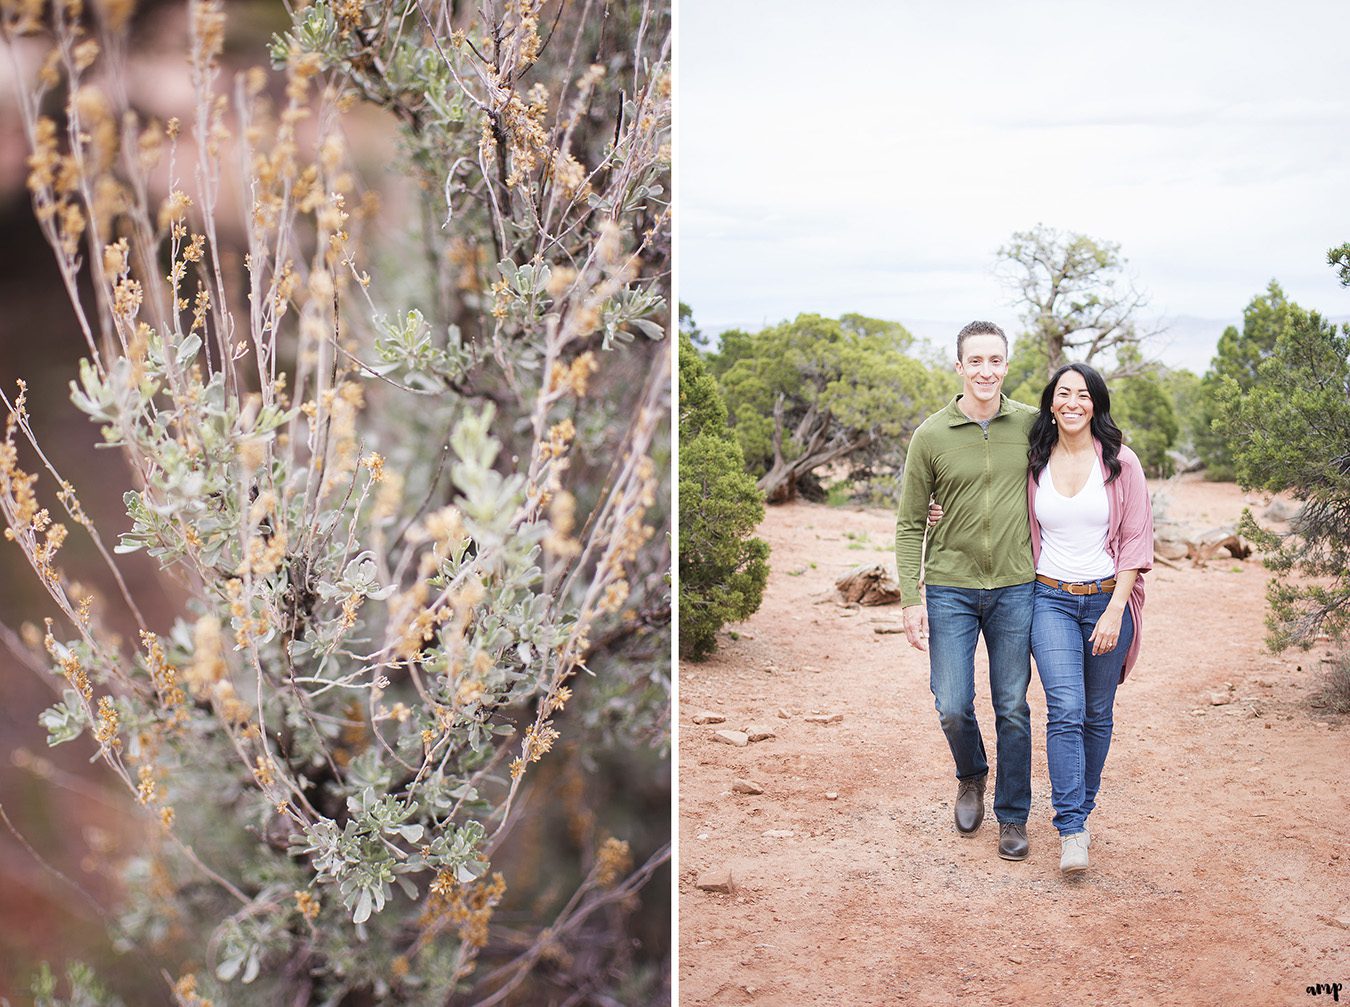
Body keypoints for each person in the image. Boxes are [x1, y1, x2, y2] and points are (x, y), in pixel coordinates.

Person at [894, 321, 1038, 862]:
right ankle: (971, 774)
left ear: (1006, 364)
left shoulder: (1030, 423)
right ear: (959, 366)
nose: (986, 371)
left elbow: (1077, 461)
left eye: (995, 360)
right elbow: (910, 523)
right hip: (951, 587)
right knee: (953, 703)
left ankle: (1013, 816)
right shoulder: (931, 435)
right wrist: (912, 597)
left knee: (1013, 707)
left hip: (1015, 586)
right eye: (975, 361)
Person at [1024, 363, 1152, 874]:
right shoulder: (1033, 460)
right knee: (1066, 708)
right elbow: (983, 494)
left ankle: (1084, 805)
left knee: (1097, 713)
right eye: (1063, 393)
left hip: (1107, 600)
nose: (1073, 401)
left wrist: (1116, 611)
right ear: (1051, 405)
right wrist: (938, 511)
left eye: (1083, 393)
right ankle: (1072, 827)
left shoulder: (1122, 462)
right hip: (1049, 599)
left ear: (1094, 403)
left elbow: (1137, 540)